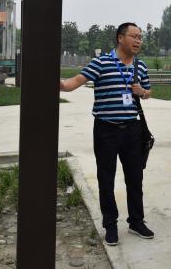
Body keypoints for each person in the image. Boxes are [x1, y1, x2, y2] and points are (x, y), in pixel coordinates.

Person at [60, 22, 153, 246]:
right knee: (106, 179)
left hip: (132, 130)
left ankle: (136, 221)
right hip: (106, 130)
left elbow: (148, 92)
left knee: (135, 178)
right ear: (120, 38)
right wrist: (54, 81)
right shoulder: (101, 62)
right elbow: (73, 83)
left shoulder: (140, 65)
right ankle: (110, 225)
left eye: (140, 37)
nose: (138, 40)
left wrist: (142, 91)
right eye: (134, 36)